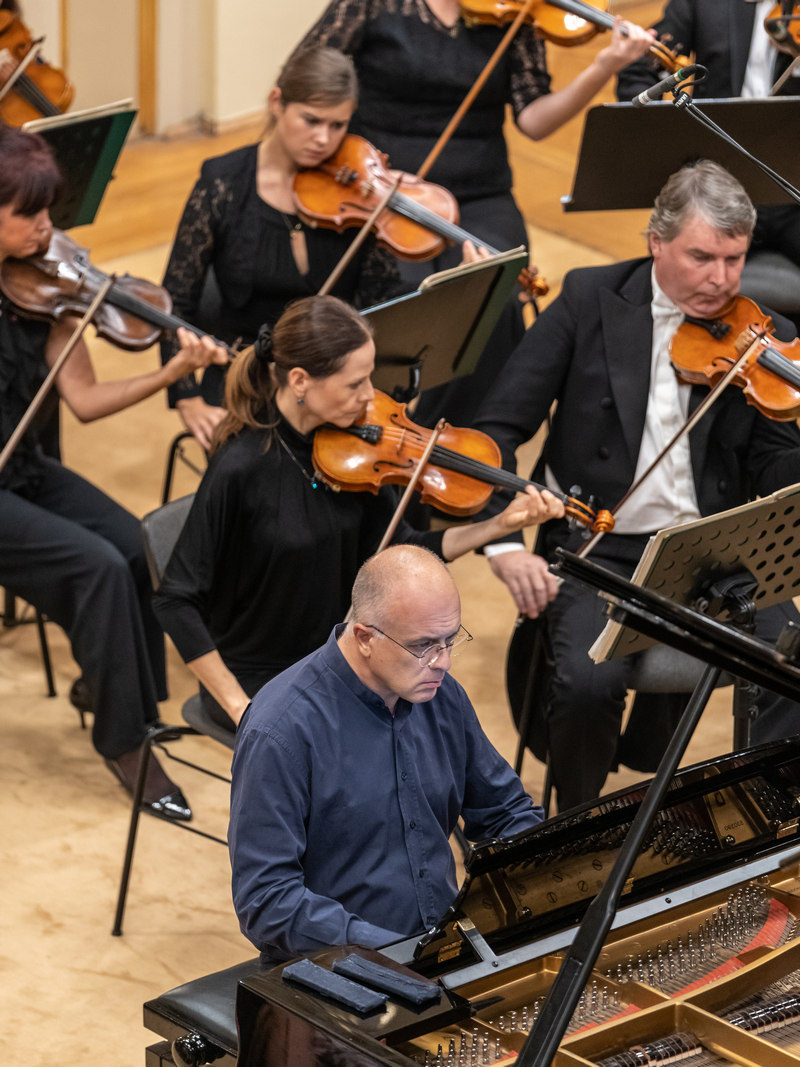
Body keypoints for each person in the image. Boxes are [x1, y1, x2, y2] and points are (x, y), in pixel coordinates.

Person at [472, 159, 800, 812]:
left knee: (791, 665)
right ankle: (575, 832)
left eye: (734, 259)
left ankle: (768, 816)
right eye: (702, 257)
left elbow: (775, 482)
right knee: (588, 685)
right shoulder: (589, 299)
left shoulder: (768, 338)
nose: (722, 280)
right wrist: (503, 545)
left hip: (716, 551)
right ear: (657, 242)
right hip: (604, 550)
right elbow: (495, 428)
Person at [153, 293, 563, 733]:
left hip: (344, 658)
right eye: (355, 384)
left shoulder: (358, 456)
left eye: (369, 378)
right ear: (299, 381)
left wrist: (499, 525)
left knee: (444, 724)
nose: (370, 396)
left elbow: (404, 548)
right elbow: (176, 600)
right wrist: (241, 707)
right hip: (262, 681)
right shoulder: (241, 467)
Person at [0, 125, 227, 818]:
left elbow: (88, 402)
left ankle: (112, 689)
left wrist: (172, 369)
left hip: (22, 468)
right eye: (29, 215)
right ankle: (125, 741)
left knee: (136, 547)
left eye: (49, 211)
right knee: (93, 566)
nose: (48, 228)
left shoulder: (42, 289)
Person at [296, 0, 655, 425]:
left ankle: (448, 439)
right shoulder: (374, 5)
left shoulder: (515, 12)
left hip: (479, 192)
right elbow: (306, 77)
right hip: (381, 188)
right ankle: (368, 420)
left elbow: (534, 119)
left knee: (494, 297)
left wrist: (604, 66)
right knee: (407, 297)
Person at [229, 543, 544, 963]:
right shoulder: (280, 731)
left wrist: (545, 875)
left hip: (439, 947)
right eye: (424, 646)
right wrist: (393, 951)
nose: (444, 662)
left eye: (451, 640)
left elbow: (505, 812)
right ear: (364, 638)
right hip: (335, 966)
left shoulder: (441, 696)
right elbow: (267, 900)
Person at [159, 44, 484, 451]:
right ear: (277, 102)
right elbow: (174, 299)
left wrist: (454, 291)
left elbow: (381, 301)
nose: (323, 140)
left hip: (336, 379)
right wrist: (185, 396)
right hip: (248, 374)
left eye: (337, 125)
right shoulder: (221, 184)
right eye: (311, 120)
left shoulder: (356, 195)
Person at [616, 0, 800, 268]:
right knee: (675, 270)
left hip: (794, 195)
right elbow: (638, 73)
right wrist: (672, 137)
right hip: (715, 188)